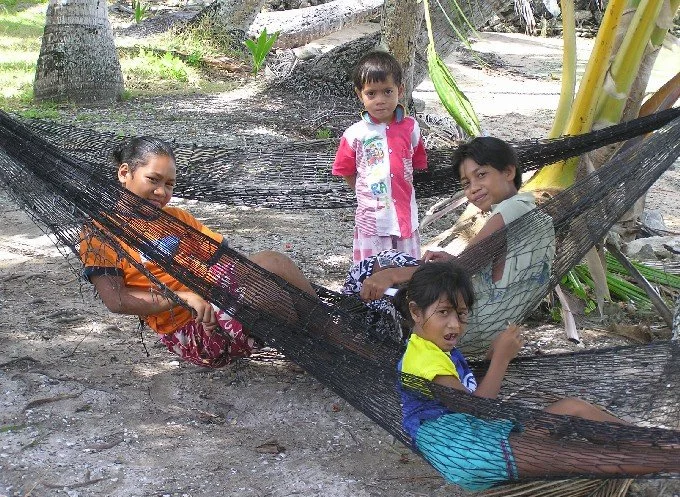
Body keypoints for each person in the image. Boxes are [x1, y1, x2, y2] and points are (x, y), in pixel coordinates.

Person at [394, 262, 680, 491]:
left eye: (461, 314)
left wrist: (492, 358)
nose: (454, 324)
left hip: (478, 438)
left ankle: (653, 440)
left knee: (573, 408)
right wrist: (501, 361)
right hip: (467, 454)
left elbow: (465, 398)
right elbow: (478, 409)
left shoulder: (433, 347)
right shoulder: (424, 358)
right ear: (416, 312)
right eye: (443, 312)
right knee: (587, 459)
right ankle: (667, 454)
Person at [79, 136, 317, 368]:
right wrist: (182, 297)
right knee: (268, 297)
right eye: (153, 179)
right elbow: (117, 300)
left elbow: (228, 262)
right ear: (124, 173)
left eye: (169, 184)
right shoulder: (100, 232)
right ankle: (317, 347)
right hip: (192, 330)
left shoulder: (176, 219)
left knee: (273, 262)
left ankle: (327, 327)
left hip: (217, 299)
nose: (161, 192)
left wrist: (259, 279)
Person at [342, 136, 555, 352]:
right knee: (398, 272)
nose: (473, 188)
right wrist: (453, 261)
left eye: (481, 175)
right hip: (493, 325)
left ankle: (349, 334)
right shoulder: (534, 212)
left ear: (508, 172)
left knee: (380, 265)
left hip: (467, 322)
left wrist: (393, 275)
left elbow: (462, 267)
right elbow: (489, 267)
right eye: (466, 184)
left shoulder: (512, 209)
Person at [332, 50, 428, 263]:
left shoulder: (411, 128)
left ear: (400, 90)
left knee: (406, 272)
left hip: (405, 218)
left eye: (387, 91)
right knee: (373, 274)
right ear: (360, 95)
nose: (380, 100)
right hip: (372, 221)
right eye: (371, 94)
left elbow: (417, 162)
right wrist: (367, 192)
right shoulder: (355, 134)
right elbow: (346, 171)